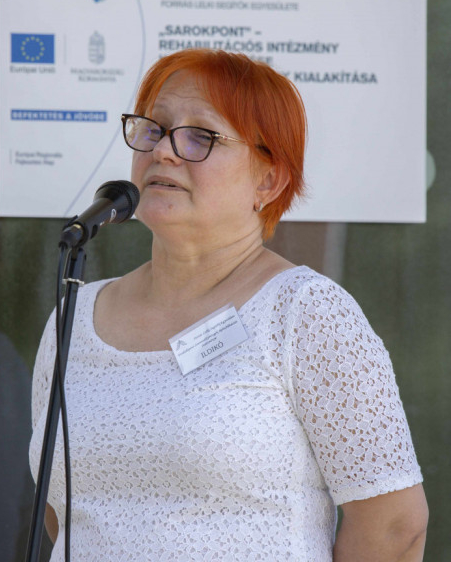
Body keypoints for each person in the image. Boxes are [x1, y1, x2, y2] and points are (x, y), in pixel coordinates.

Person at [29, 49, 428, 561]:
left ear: (268, 180)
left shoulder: (306, 313)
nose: (164, 151)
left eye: (201, 136)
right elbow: (63, 515)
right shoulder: (75, 316)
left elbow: (394, 528)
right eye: (154, 129)